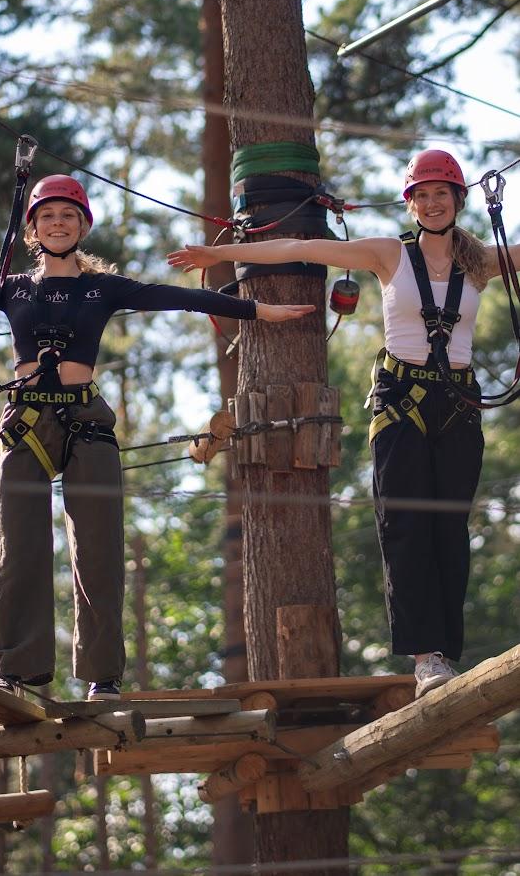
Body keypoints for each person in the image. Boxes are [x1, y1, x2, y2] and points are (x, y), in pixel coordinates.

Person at [0, 174, 313, 701]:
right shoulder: (12, 288)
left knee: (99, 550)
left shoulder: (104, 288)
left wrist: (260, 311)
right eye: (48, 216)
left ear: (83, 226)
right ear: (33, 229)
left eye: (68, 216)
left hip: (86, 422)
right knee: (18, 547)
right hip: (27, 423)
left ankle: (103, 676)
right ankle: (14, 668)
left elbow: (180, 298)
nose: (58, 223)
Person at [168, 148, 513, 697]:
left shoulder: (481, 262)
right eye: (422, 195)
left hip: (458, 406)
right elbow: (301, 247)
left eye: (441, 194)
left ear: (458, 199)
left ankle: (447, 652)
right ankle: (426, 658)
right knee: (405, 526)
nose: (431, 203)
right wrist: (220, 252)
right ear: (411, 203)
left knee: (450, 530)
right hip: (401, 403)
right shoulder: (388, 254)